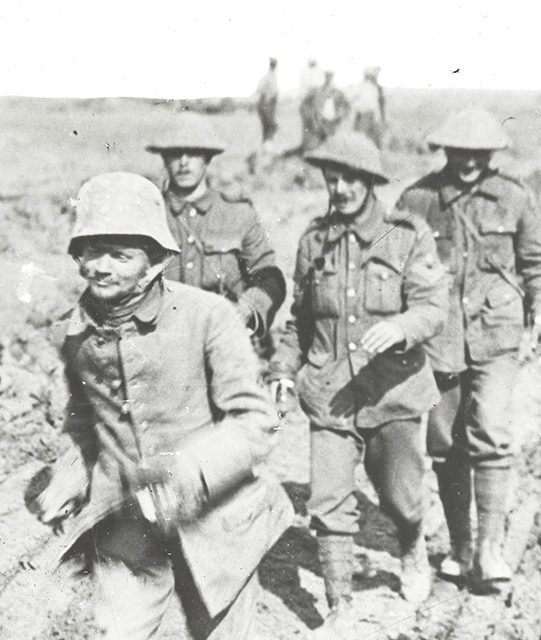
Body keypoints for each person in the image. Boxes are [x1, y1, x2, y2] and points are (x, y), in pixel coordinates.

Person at [29, 172, 293, 640]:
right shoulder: (77, 334)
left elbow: (254, 421)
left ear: (154, 264)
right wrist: (71, 472)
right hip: (126, 525)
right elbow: (84, 422)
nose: (101, 267)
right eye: (91, 251)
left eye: (120, 254)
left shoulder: (207, 318)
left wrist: (187, 475)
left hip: (217, 521)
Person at [266, 132, 448, 636]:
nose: (340, 187)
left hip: (392, 394)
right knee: (327, 504)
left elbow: (433, 308)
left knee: (400, 500)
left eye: (350, 178)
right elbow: (298, 322)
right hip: (329, 394)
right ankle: (339, 606)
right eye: (332, 177)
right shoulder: (314, 240)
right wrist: (282, 372)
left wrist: (402, 328)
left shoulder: (402, 235)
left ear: (370, 181)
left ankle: (412, 546)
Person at [395, 108, 541, 591]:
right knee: (445, 444)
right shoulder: (417, 199)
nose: (468, 162)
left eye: (479, 153)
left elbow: (537, 261)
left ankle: (489, 549)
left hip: (497, 334)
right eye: (460, 152)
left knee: (489, 429)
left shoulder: (514, 198)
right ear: (446, 151)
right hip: (440, 337)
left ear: (492, 154)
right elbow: (386, 255)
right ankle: (461, 546)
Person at [146, 111, 286, 356]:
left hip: (224, 344)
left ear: (208, 158)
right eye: (175, 153)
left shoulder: (237, 214)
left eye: (194, 153)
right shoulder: (148, 214)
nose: (184, 161)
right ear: (164, 158)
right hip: (164, 347)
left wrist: (247, 309)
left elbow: (270, 277)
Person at [348, 66, 386, 148]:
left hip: (371, 116)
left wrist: (378, 119)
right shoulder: (361, 87)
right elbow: (353, 101)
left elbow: (376, 106)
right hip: (362, 116)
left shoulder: (375, 88)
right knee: (361, 138)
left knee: (373, 139)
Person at [310, 70, 351, 146]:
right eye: (327, 77)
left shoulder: (338, 92)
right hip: (322, 119)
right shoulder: (319, 91)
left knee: (332, 139)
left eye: (330, 77)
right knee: (321, 139)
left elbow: (346, 106)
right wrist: (316, 118)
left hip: (333, 120)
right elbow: (315, 106)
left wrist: (340, 116)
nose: (328, 79)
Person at [255, 57, 279, 148]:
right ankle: (266, 147)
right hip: (265, 104)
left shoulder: (273, 76)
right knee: (271, 126)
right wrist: (266, 97)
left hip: (269, 105)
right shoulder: (268, 76)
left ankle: (265, 147)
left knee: (268, 127)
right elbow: (260, 89)